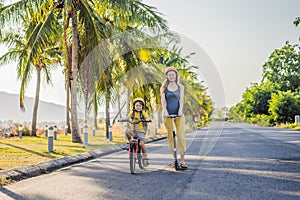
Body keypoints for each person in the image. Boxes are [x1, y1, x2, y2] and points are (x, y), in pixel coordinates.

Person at [160, 67, 188, 168]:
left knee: (181, 137)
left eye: (173, 74)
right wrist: (166, 111)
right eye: (169, 75)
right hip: (168, 115)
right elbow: (163, 101)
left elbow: (181, 100)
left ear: (176, 75)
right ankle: (175, 159)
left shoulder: (181, 87)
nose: (171, 76)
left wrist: (180, 110)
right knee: (171, 137)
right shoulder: (163, 87)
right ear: (167, 76)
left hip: (179, 115)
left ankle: (182, 160)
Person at [126, 98, 150, 167]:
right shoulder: (132, 113)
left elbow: (147, 117)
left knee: (142, 144)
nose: (138, 107)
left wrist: (147, 119)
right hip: (133, 130)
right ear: (134, 106)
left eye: (140, 105)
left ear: (142, 106)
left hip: (141, 131)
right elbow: (128, 117)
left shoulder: (143, 113)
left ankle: (145, 158)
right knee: (127, 132)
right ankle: (129, 142)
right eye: (137, 105)